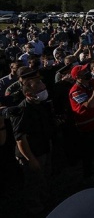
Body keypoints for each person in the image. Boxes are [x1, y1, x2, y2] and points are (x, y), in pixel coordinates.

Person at [11, 79, 54, 215]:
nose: (44, 89)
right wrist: (30, 159)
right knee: (33, 182)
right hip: (32, 153)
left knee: (43, 178)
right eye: (40, 90)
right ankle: (36, 209)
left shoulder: (40, 104)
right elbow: (20, 139)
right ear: (29, 93)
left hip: (43, 148)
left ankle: (45, 200)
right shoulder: (21, 110)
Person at [69, 63, 94, 180]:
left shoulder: (89, 84)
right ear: (78, 77)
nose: (87, 73)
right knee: (88, 153)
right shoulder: (75, 90)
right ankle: (88, 176)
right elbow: (89, 105)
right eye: (83, 73)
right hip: (87, 128)